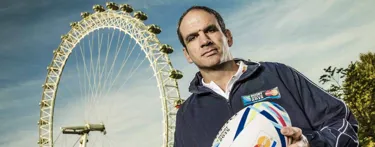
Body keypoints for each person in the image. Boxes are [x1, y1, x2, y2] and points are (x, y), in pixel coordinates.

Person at [173, 5, 359, 147]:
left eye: (210, 30)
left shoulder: (279, 74)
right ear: (187, 54)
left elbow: (343, 124)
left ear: (228, 36)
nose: (204, 41)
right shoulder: (187, 116)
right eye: (192, 37)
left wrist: (310, 142)